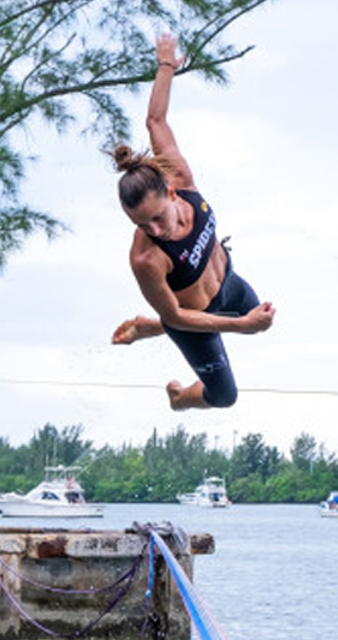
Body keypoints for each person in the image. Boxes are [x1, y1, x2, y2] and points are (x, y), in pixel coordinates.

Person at [111, 33, 275, 411]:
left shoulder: (180, 177)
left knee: (256, 314)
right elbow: (177, 314)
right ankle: (181, 398)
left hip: (228, 283)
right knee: (224, 396)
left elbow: (155, 120)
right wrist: (241, 326)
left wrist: (166, 64)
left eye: (156, 218)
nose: (153, 231)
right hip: (188, 322)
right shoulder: (145, 259)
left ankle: (148, 326)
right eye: (140, 225)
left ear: (171, 193)